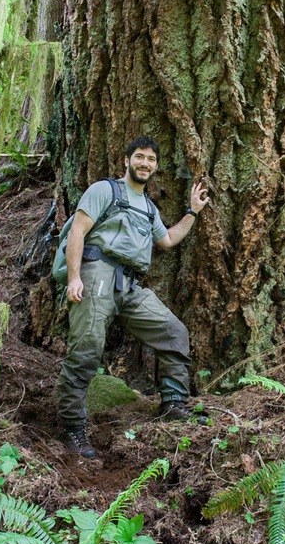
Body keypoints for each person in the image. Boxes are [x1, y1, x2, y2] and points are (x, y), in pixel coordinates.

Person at [57, 136, 210, 459]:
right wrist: (73, 278)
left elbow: (167, 240)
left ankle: (173, 404)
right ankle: (72, 427)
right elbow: (78, 232)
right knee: (86, 348)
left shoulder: (148, 207)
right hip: (96, 272)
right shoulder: (105, 190)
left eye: (151, 159)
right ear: (127, 160)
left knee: (174, 332)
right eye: (139, 157)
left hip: (129, 285)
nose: (145, 163)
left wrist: (192, 212)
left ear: (155, 166)